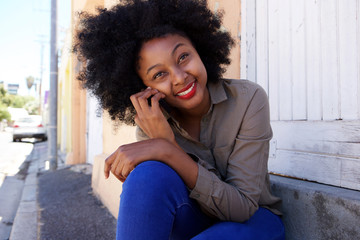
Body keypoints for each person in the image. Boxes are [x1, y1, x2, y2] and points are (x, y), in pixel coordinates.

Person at [73, 0, 285, 239]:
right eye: (159, 74)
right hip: (194, 219)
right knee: (147, 176)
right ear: (145, 87)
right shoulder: (153, 122)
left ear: (199, 48)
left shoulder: (248, 100)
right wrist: (162, 144)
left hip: (253, 221)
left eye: (183, 57)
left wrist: (168, 149)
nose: (179, 77)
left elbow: (241, 208)